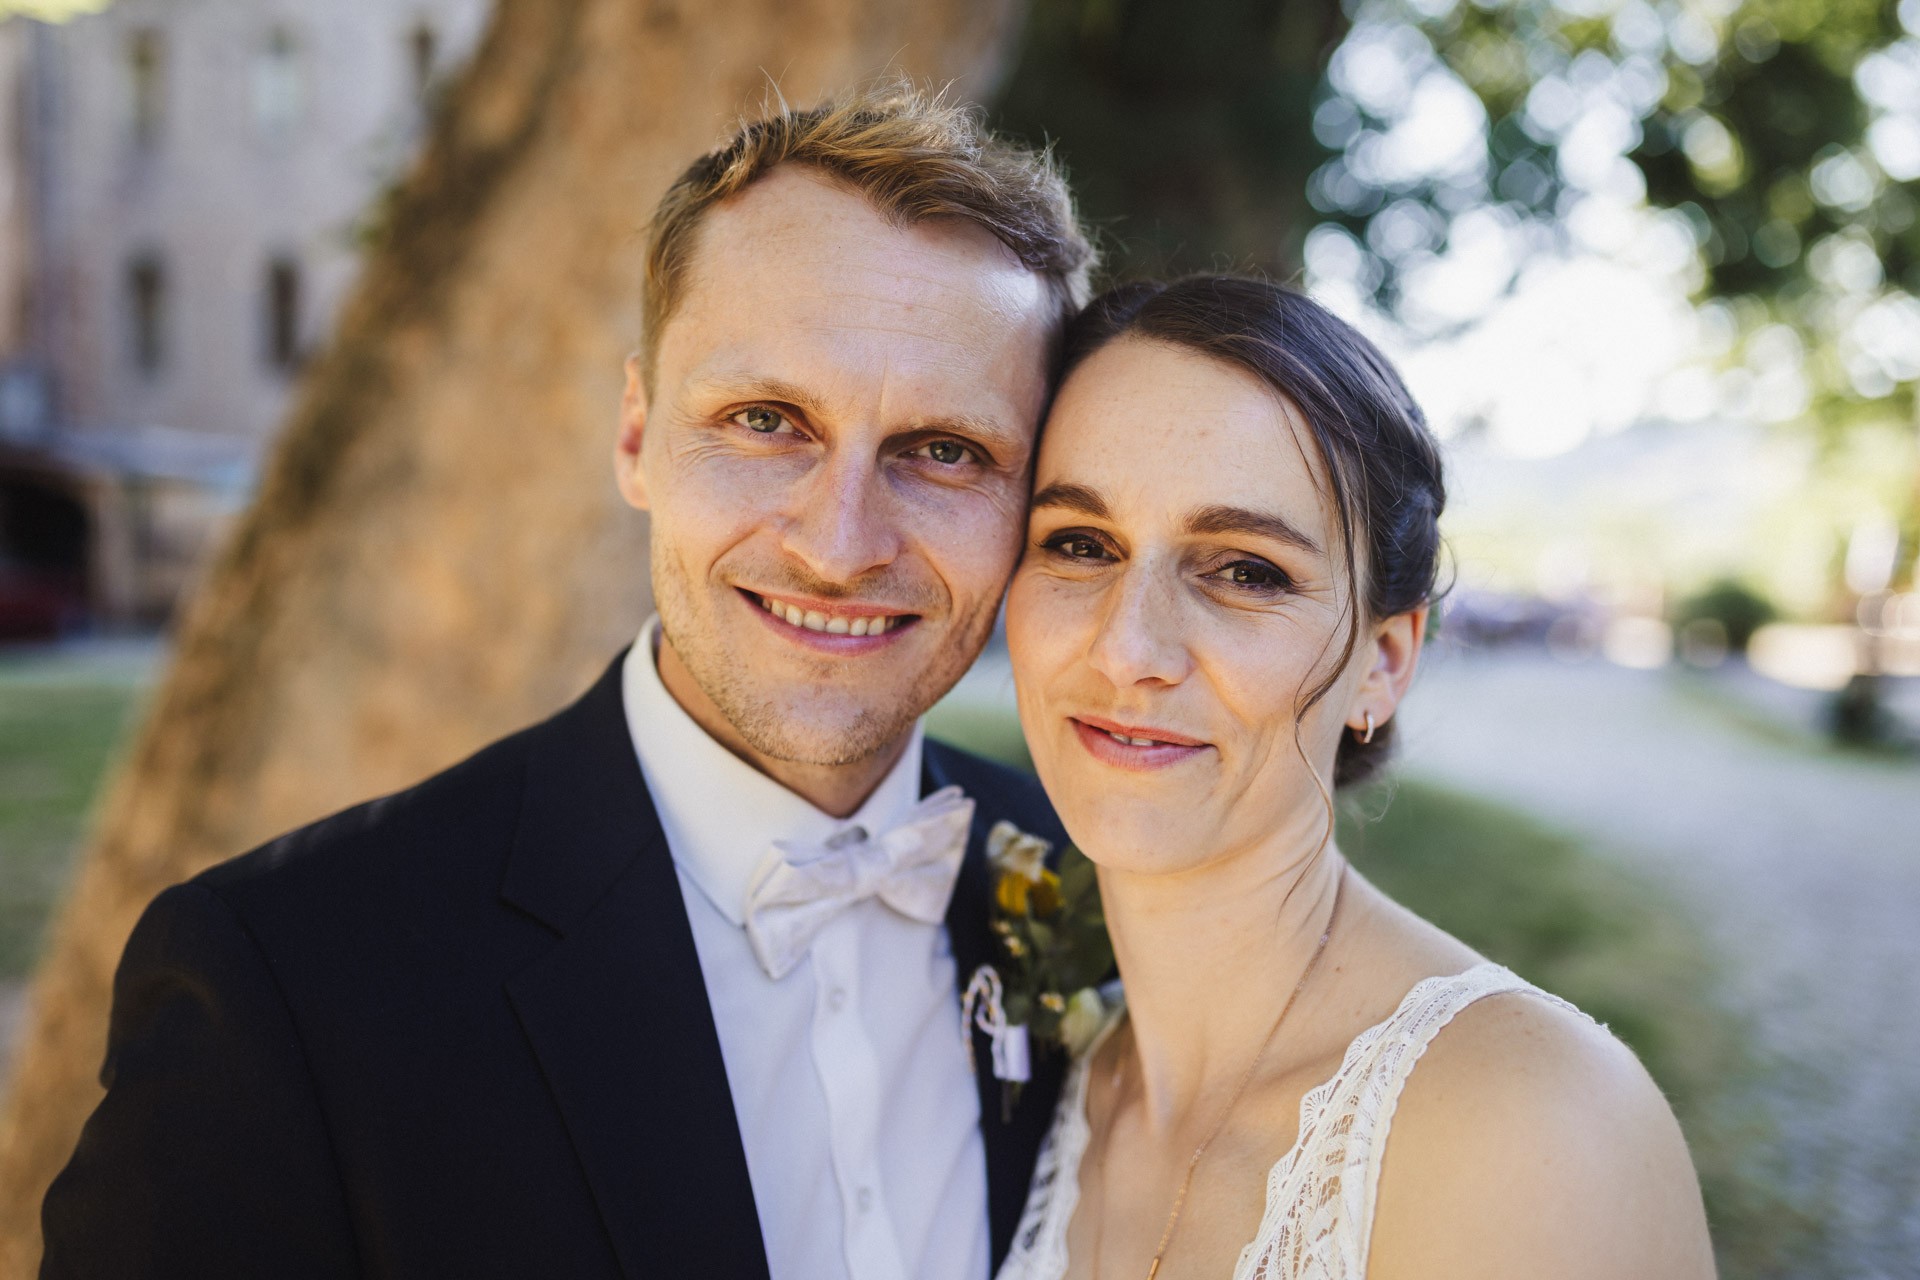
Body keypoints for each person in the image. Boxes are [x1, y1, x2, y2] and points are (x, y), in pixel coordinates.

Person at [40, 87, 1094, 1279]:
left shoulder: (1098, 891)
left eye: (947, 450)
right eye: (765, 419)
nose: (842, 543)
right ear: (639, 433)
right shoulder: (283, 981)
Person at [993, 277, 1716, 1280]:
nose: (1128, 647)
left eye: (1245, 569)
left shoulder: (1530, 1129)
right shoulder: (1051, 1084)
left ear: (1383, 660)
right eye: (1079, 544)